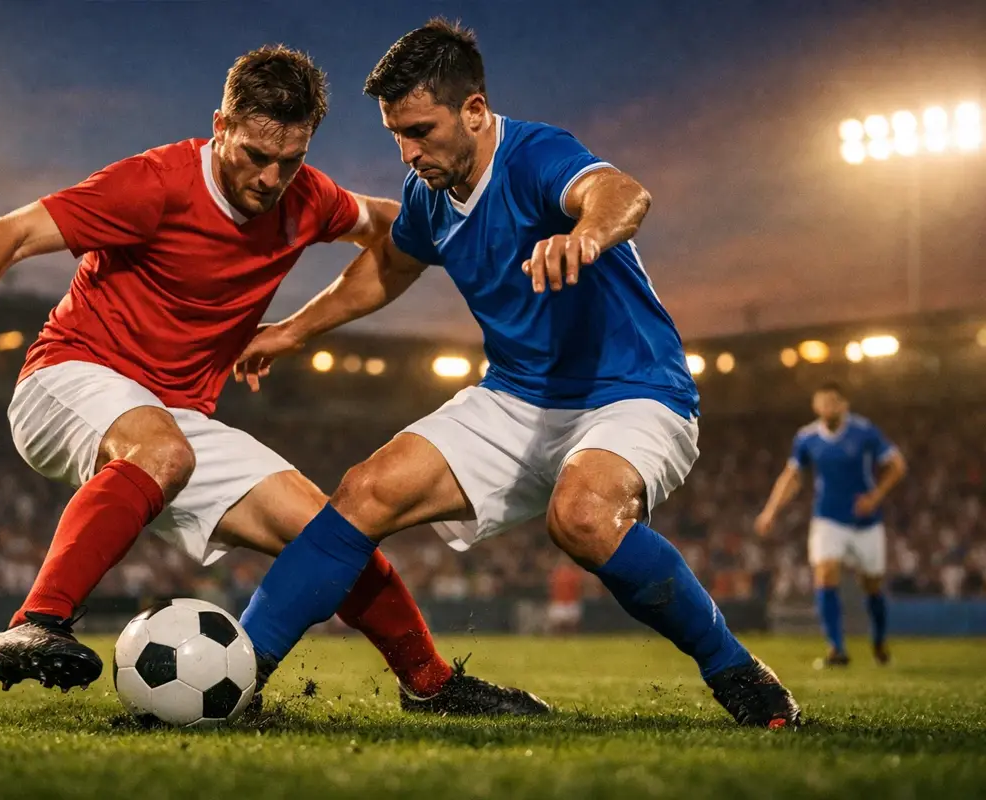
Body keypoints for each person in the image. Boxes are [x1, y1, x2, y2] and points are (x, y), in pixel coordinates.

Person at [0, 44, 543, 716]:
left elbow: (392, 225)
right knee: (162, 451)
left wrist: (484, 230)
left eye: (289, 161)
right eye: (254, 157)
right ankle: (36, 621)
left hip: (176, 417)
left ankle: (432, 684)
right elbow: (13, 232)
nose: (270, 178)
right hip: (71, 376)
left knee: (332, 534)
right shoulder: (154, 184)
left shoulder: (307, 198)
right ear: (219, 127)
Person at [233, 19, 801, 728]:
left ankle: (737, 672)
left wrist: (585, 234)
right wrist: (292, 329)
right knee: (365, 491)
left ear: (474, 110)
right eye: (396, 135)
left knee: (584, 518)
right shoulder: (428, 194)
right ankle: (236, 677)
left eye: (421, 130)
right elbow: (390, 265)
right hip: (518, 395)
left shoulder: (535, 153)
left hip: (632, 393)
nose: (409, 152)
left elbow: (622, 193)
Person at [756, 382, 906, 666]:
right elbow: (792, 477)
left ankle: (879, 642)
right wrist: (770, 512)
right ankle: (837, 649)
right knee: (825, 573)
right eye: (823, 401)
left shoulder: (864, 432)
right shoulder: (807, 438)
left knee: (872, 584)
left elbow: (897, 464)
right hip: (827, 517)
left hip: (865, 521)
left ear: (844, 405)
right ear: (815, 405)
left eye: (834, 401)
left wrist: (875, 498)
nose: (828, 407)